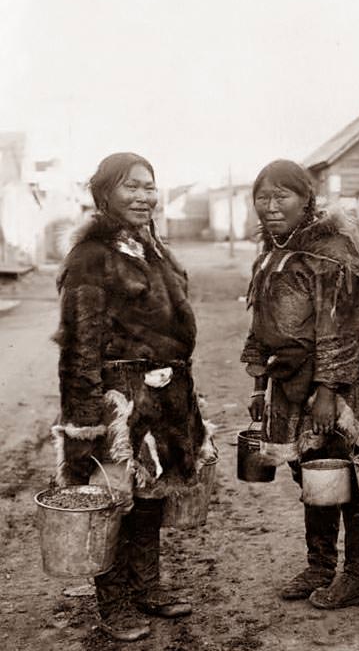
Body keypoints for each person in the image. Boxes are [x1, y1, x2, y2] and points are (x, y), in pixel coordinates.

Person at [53, 152, 217, 642]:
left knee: (150, 498)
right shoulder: (91, 256)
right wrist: (86, 421)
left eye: (150, 186)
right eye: (132, 187)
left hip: (163, 398)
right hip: (119, 402)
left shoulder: (150, 247)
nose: (145, 195)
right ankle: (114, 602)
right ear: (104, 192)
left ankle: (147, 587)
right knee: (112, 500)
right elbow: (79, 344)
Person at [241, 159, 359, 609]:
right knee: (311, 476)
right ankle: (319, 565)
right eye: (262, 196)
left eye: (281, 195)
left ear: (306, 199)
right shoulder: (272, 251)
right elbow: (261, 323)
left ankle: (357, 577)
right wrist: (259, 387)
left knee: (350, 477)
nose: (271, 205)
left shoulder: (332, 251)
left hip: (335, 387)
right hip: (288, 382)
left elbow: (341, 324)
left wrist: (328, 391)